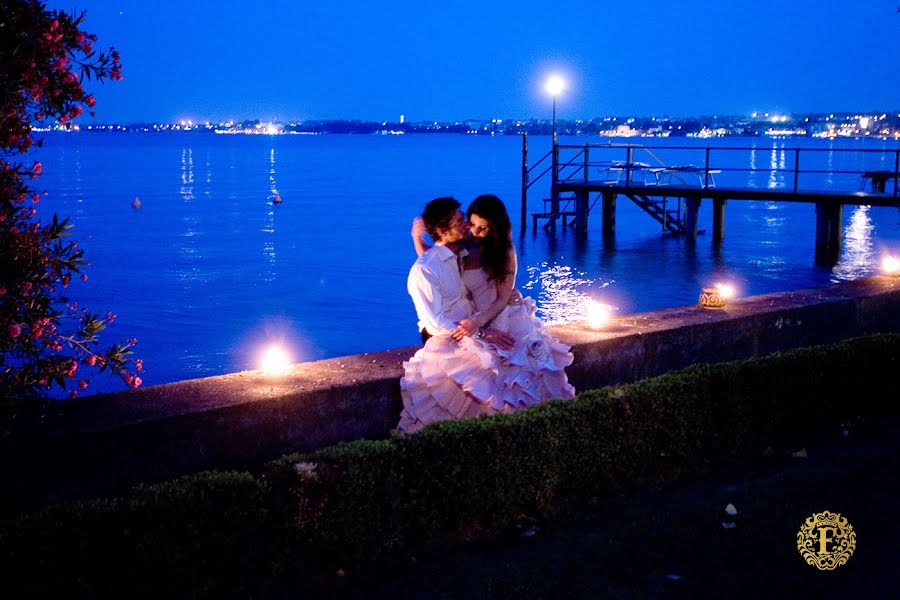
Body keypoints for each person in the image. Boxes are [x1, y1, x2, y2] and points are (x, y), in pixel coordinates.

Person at [398, 194, 575, 434]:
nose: (473, 230)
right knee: (483, 378)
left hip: (498, 317)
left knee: (517, 377)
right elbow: (432, 265)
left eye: (482, 227)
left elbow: (499, 296)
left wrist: (481, 321)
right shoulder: (460, 250)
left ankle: (525, 431)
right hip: (471, 326)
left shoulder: (499, 249)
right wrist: (417, 238)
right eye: (468, 223)